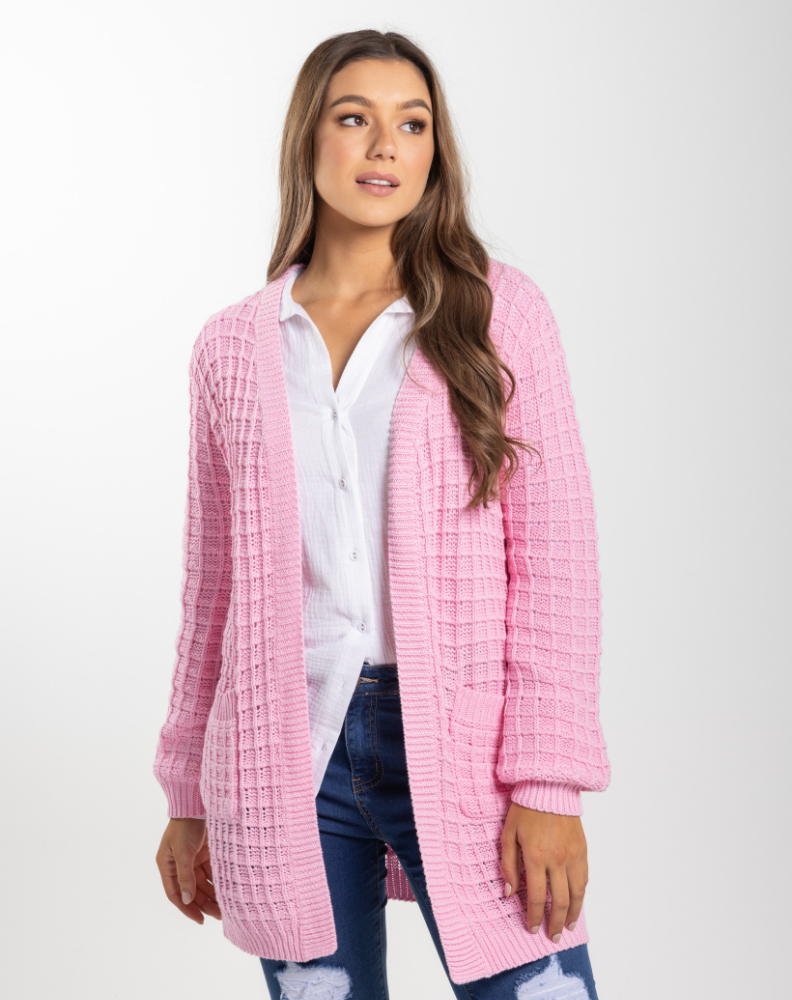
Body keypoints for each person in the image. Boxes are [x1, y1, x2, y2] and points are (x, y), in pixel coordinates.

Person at [153, 28, 610, 1000]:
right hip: (285, 759)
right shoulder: (232, 348)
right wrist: (187, 792)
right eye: (354, 118)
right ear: (308, 139)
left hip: (466, 747)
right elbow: (211, 591)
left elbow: (556, 562)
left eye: (412, 124)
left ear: (435, 151)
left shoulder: (497, 314)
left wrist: (548, 783)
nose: (384, 147)